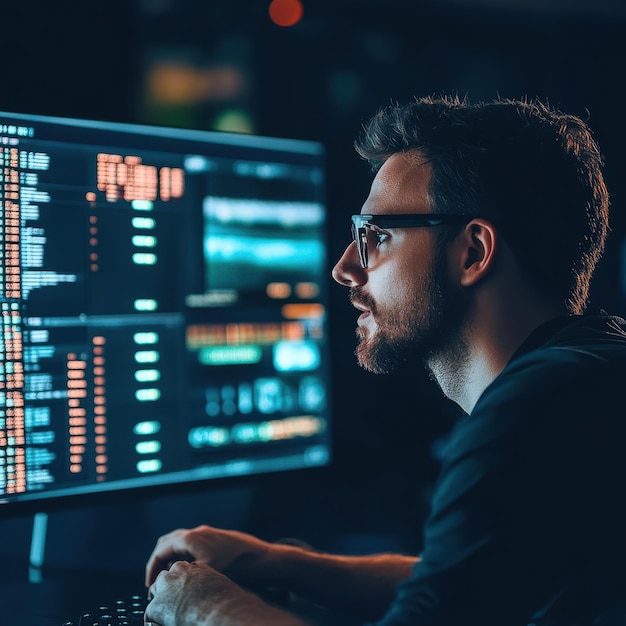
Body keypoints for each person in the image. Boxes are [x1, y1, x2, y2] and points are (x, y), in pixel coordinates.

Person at [143, 95, 626, 626]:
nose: (345, 268)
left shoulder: (532, 412)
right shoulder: (592, 368)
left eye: (375, 236)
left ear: (473, 252)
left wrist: (202, 607)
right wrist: (278, 563)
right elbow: (465, 588)